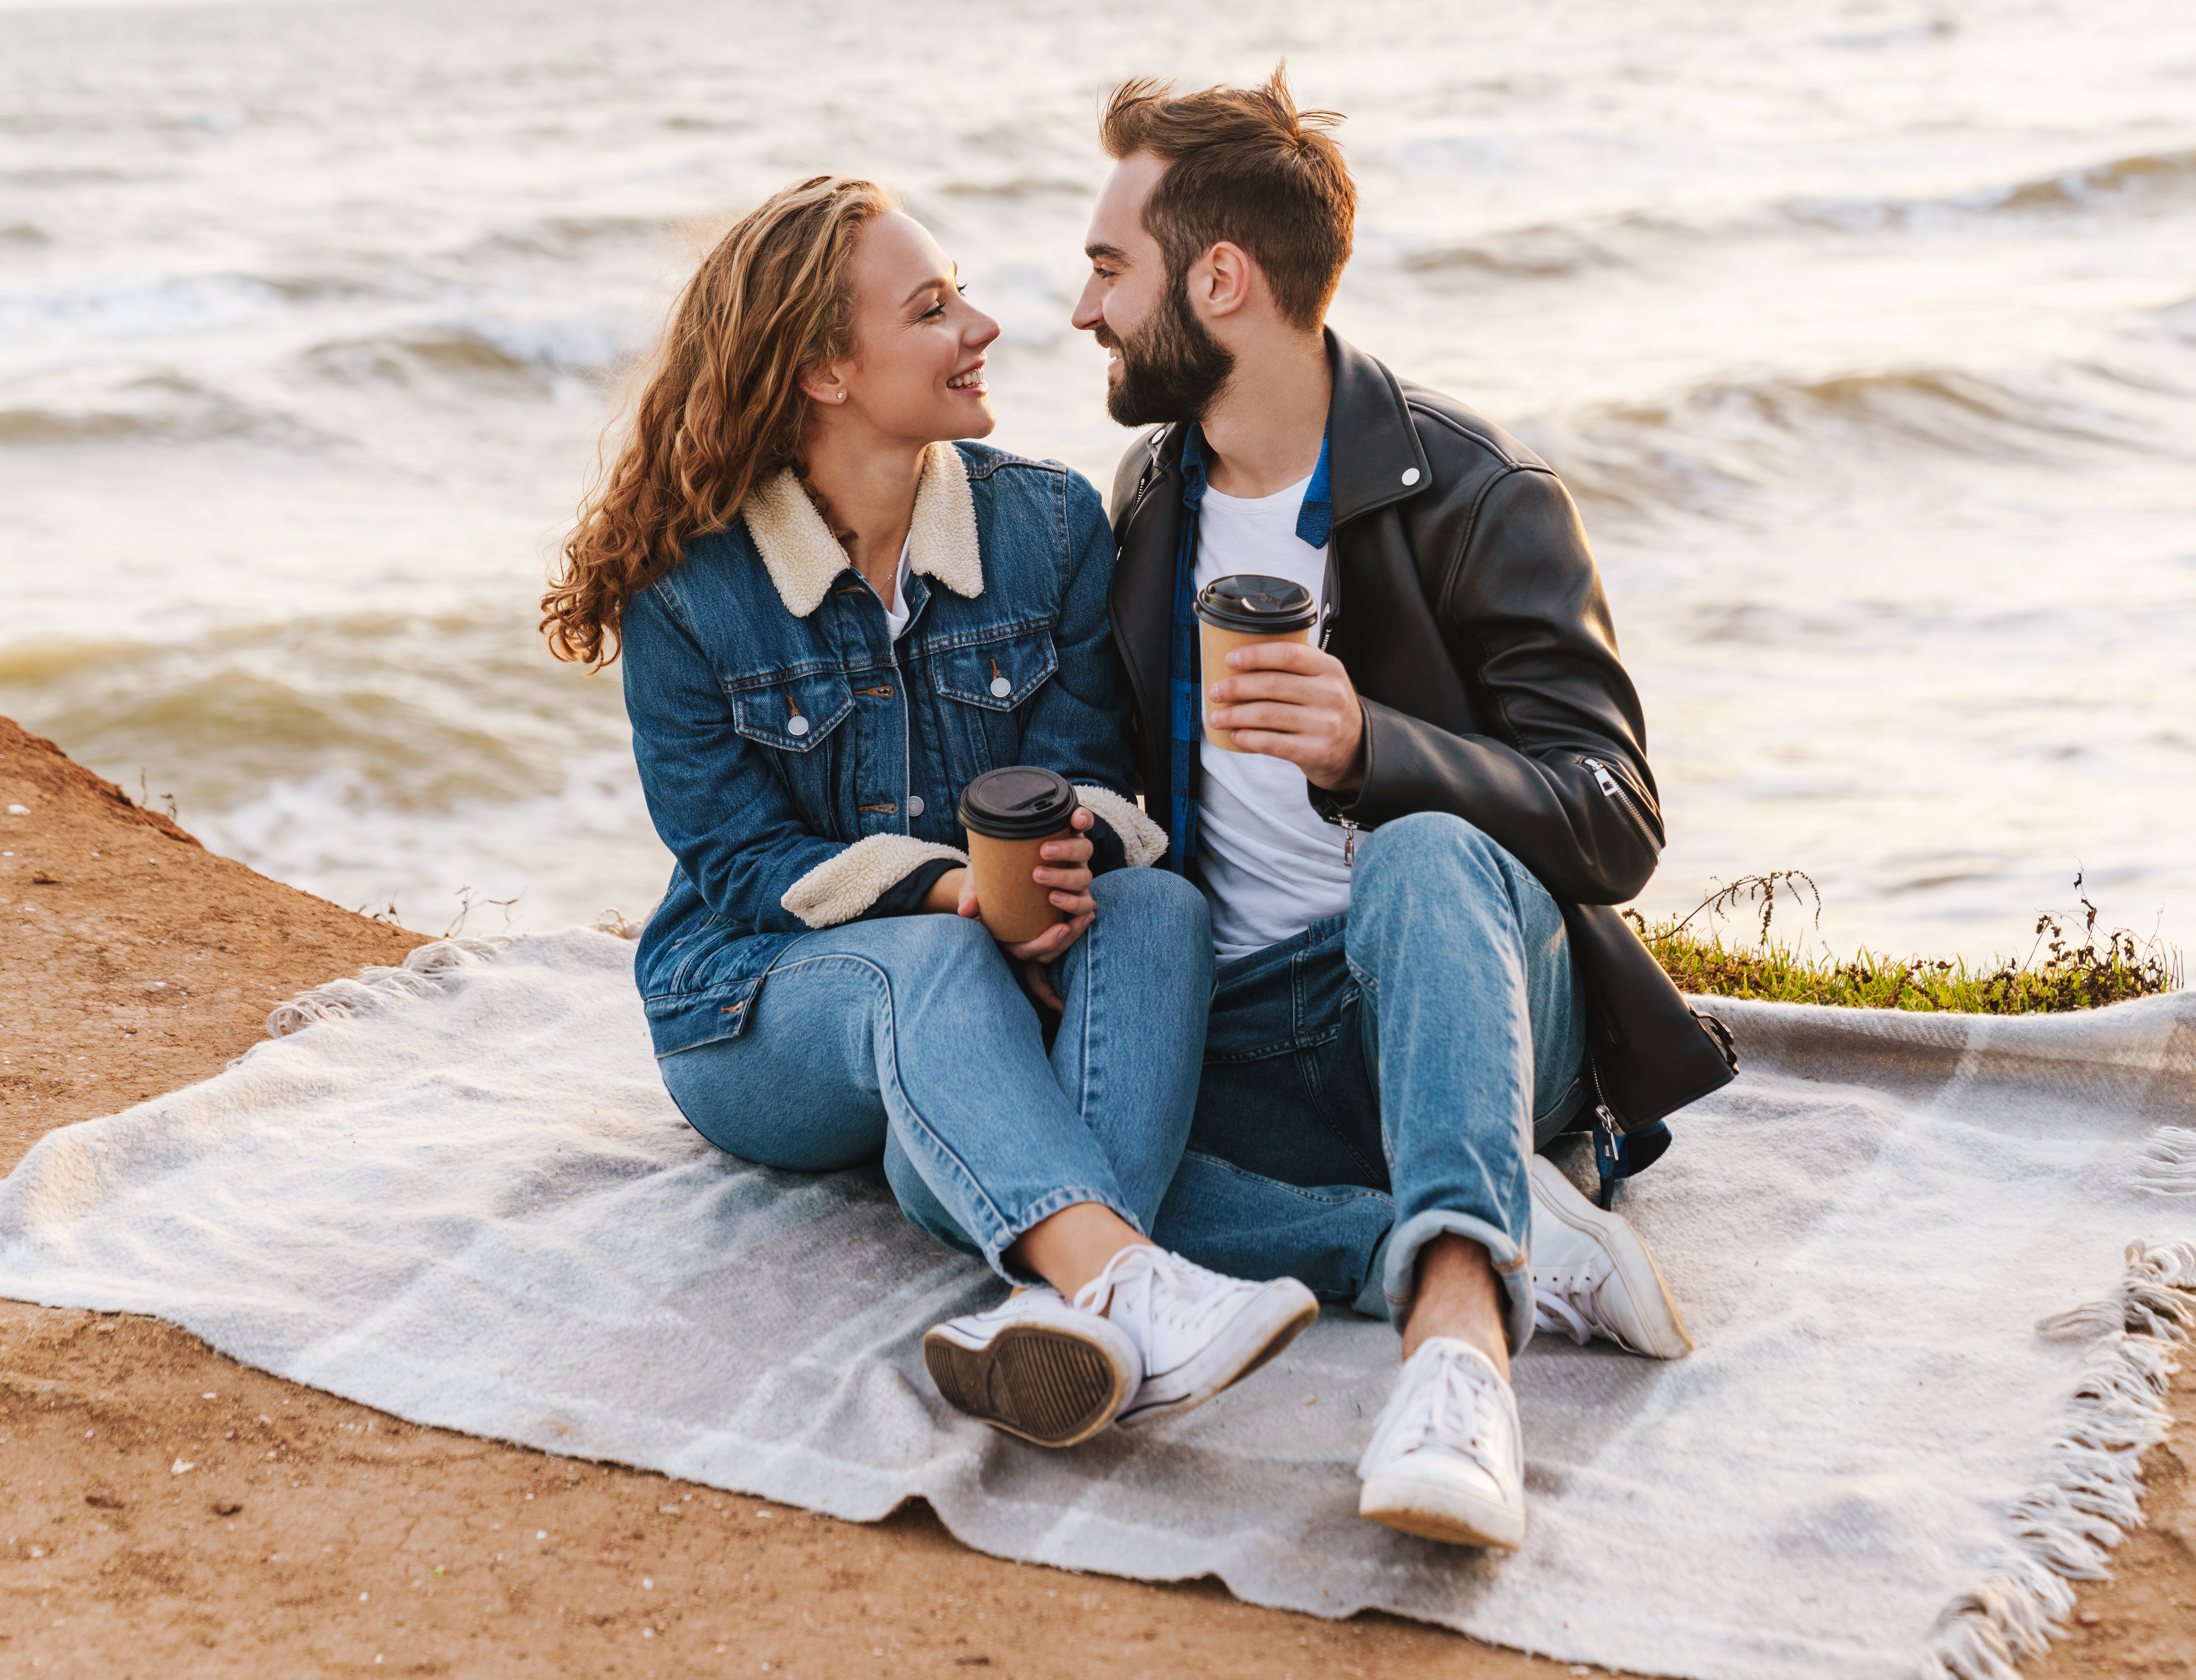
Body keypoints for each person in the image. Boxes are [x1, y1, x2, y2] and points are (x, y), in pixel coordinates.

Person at [544, 174, 1316, 1451]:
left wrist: (1055, 889)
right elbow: (740, 862)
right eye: (933, 309)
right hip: (755, 1012)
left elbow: (1094, 778)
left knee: (1158, 908)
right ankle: (1140, 1287)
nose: (985, 328)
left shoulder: (1048, 523)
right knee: (937, 952)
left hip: (998, 976)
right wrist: (963, 896)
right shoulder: (692, 590)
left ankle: (1053, 1313)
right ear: (827, 373)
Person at [1074, 75, 1701, 1551]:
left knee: (1419, 857)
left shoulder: (1477, 496)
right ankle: (1502, 1227)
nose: (1083, 308)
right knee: (1028, 1155)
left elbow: (1614, 817)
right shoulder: (1146, 501)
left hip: (1462, 995)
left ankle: (1457, 1363)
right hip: (1252, 1023)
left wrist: (1377, 750)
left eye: (1110, 267)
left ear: (1218, 280)